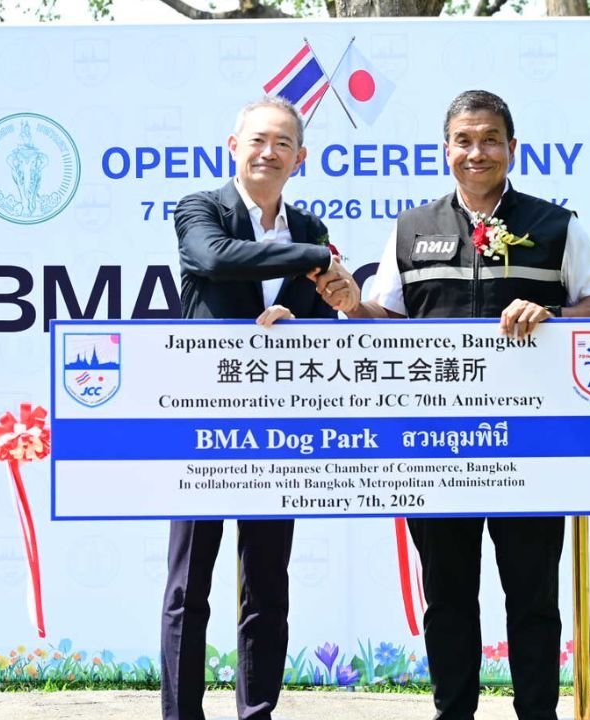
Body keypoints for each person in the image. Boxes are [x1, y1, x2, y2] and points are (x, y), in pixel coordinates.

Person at [345, 90, 590, 720]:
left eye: (490, 139)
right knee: (446, 597)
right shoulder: (411, 229)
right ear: (446, 150)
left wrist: (551, 314)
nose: (477, 152)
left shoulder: (556, 225)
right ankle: (454, 713)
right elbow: (381, 317)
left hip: (531, 448)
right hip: (436, 448)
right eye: (464, 140)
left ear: (512, 149)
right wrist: (346, 302)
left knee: (532, 597)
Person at [162, 96, 359, 720]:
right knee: (188, 586)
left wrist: (308, 305)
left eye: (282, 144)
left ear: (299, 158)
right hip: (203, 418)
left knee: (268, 584)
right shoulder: (201, 208)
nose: (267, 152)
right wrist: (313, 258)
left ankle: (257, 712)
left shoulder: (308, 227)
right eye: (257, 140)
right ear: (233, 146)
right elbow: (214, 258)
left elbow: (328, 308)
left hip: (281, 425)